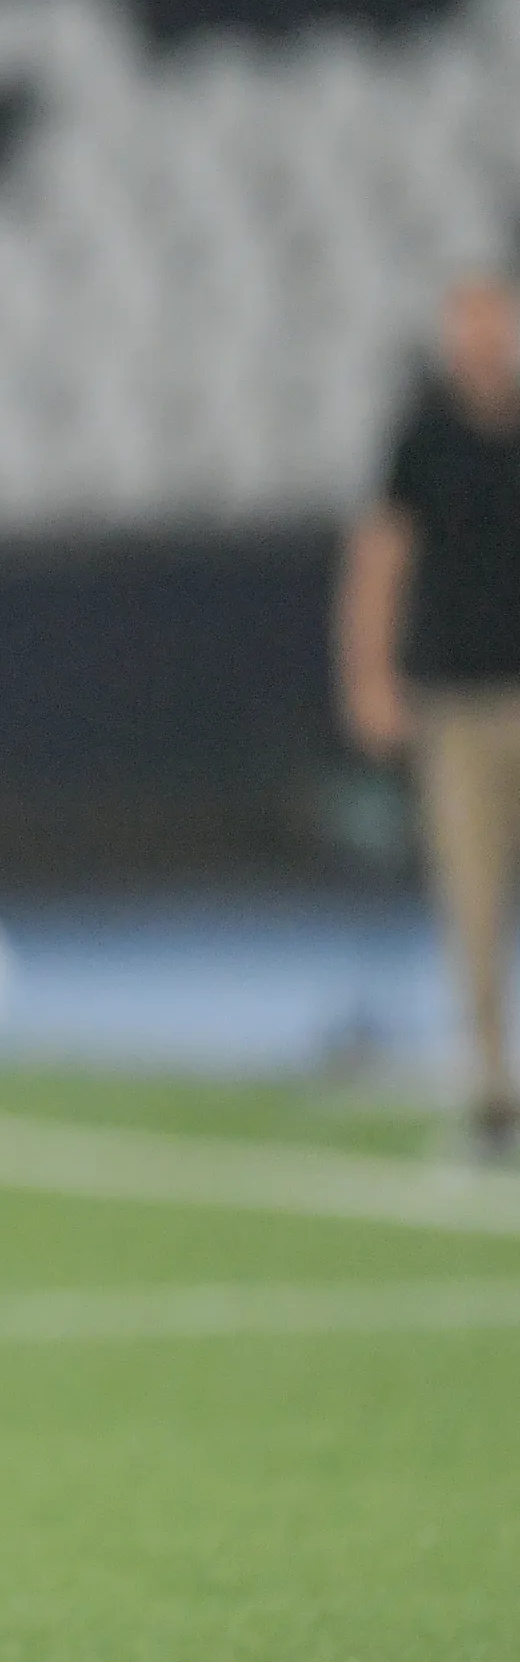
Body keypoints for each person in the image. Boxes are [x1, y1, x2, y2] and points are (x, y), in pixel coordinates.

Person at [339, 274, 520, 1153]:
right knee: (473, 905)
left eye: (495, 323)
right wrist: (370, 675)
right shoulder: (425, 439)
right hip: (456, 703)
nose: (482, 341)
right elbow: (380, 556)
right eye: (468, 325)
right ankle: (491, 1098)